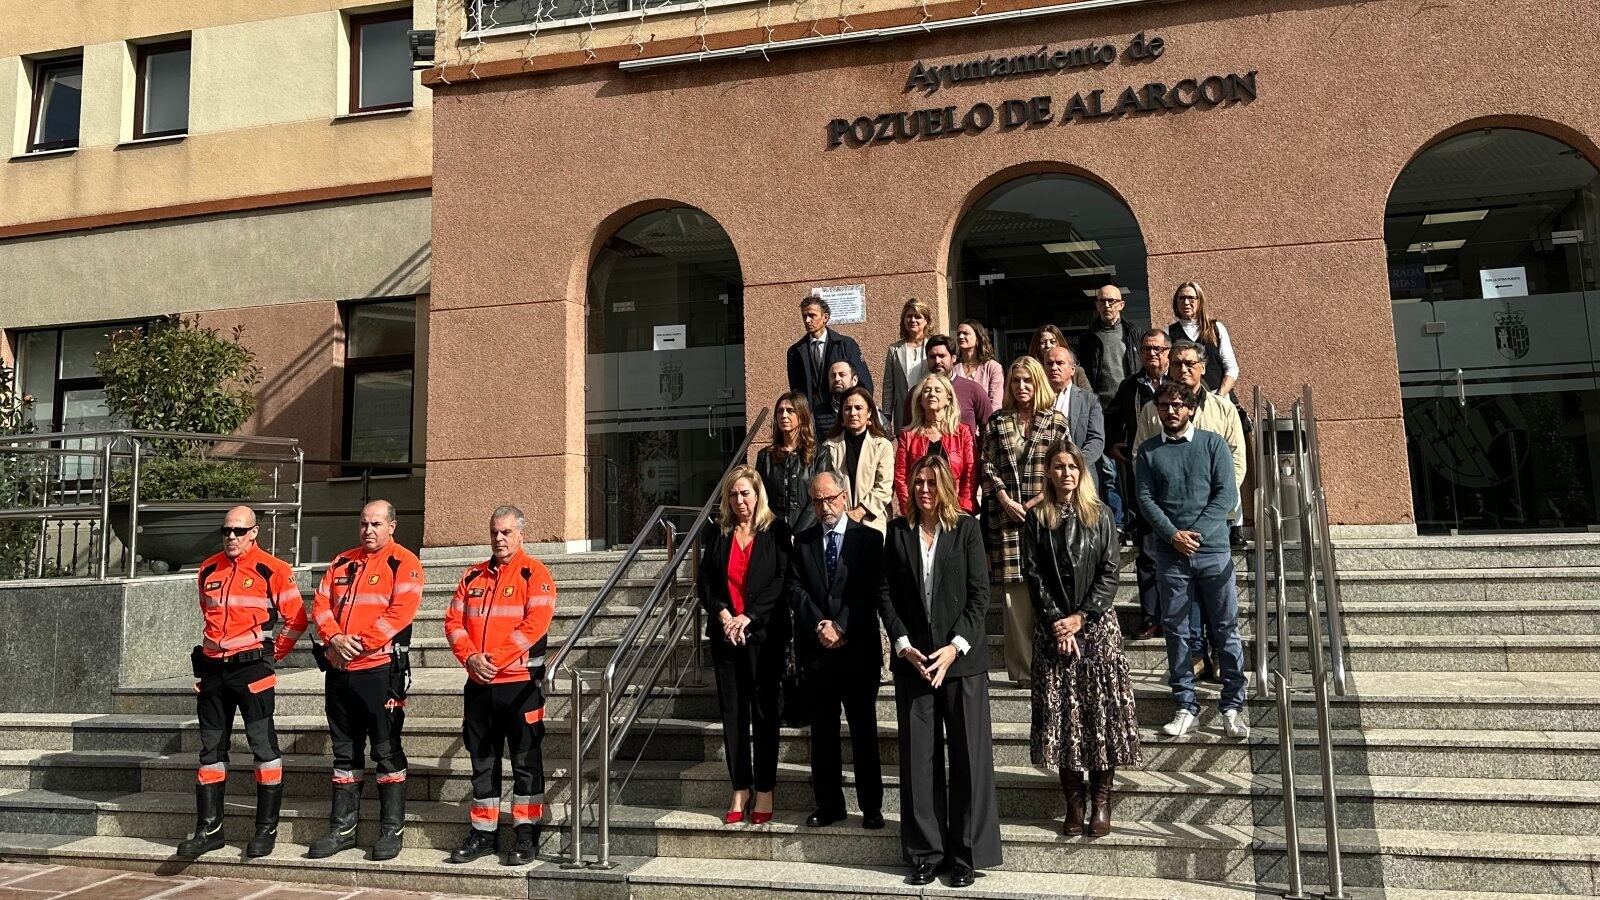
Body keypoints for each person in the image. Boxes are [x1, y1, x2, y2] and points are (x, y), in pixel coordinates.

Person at [878, 455, 1001, 887]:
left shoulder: (966, 528)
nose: (923, 489)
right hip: (914, 663)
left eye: (931, 482)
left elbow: (979, 594)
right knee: (919, 759)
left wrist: (954, 647)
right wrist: (903, 644)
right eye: (917, 482)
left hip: (961, 663)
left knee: (968, 758)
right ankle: (926, 853)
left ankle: (966, 854)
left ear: (945, 485)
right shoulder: (897, 532)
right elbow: (885, 593)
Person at [1021, 441, 1141, 838]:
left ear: (1081, 472)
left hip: (1096, 630)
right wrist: (1058, 621)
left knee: (1100, 717)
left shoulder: (1101, 514)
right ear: (1049, 473)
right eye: (1058, 467)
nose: (1066, 473)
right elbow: (1033, 575)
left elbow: (1110, 570)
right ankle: (1073, 800)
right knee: (1064, 719)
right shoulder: (1037, 518)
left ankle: (1101, 801)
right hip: (1054, 631)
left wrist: (1080, 617)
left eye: (1072, 466)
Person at [177, 506, 308, 859]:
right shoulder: (208, 568)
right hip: (214, 671)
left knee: (263, 748)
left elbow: (297, 619)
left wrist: (271, 656)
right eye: (226, 531)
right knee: (210, 751)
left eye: (239, 530)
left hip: (252, 669)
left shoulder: (274, 569)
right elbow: (208, 615)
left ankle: (265, 830)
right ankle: (210, 829)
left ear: (254, 532)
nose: (231, 537)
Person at [306, 500, 423, 862]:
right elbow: (321, 605)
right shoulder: (341, 562)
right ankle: (342, 830)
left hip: (379, 670)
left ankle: (392, 831)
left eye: (376, 524)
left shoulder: (404, 563)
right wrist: (334, 639)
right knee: (345, 752)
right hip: (340, 671)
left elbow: (399, 613)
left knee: (386, 750)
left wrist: (358, 644)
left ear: (392, 526)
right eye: (363, 524)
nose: (368, 530)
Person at [443, 506, 558, 865]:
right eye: (495, 532)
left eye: (506, 532)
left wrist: (493, 658)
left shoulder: (535, 574)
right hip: (478, 684)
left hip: (520, 685)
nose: (499, 539)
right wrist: (471, 658)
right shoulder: (472, 575)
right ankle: (483, 835)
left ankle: (526, 836)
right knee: (482, 762)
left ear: (521, 535)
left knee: (525, 763)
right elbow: (453, 622)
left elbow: (534, 626)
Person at [1135, 384, 1249, 740]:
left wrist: (1193, 534)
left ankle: (1232, 706)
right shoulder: (1148, 452)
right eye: (1165, 405)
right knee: (1178, 632)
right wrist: (1172, 536)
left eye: (1179, 404)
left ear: (1192, 408)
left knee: (1226, 629)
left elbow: (1226, 494)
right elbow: (1144, 498)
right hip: (1171, 556)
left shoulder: (1213, 444)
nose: (1171, 411)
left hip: (1213, 552)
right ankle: (1186, 706)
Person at [788, 470, 885, 830]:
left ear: (844, 497)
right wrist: (820, 625)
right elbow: (796, 591)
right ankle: (829, 805)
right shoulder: (804, 541)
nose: (824, 506)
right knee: (823, 734)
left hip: (857, 650)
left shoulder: (869, 540)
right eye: (817, 500)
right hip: (817, 654)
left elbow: (870, 590)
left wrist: (841, 625)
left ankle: (871, 806)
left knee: (863, 731)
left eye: (830, 498)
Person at [697, 466, 791, 825]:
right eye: (733, 495)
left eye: (745, 494)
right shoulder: (718, 531)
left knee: (765, 712)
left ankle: (765, 787)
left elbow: (781, 581)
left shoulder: (776, 530)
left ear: (758, 495)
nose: (740, 501)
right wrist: (723, 614)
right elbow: (705, 579)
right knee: (732, 713)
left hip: (763, 635)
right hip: (725, 635)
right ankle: (741, 787)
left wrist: (748, 616)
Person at [980, 356, 1071, 688]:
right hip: (1005, 519)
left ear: (1038, 383)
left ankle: (1052, 666)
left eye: (1027, 381)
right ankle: (1023, 673)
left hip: (1045, 516)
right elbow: (985, 464)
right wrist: (1004, 498)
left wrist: (1034, 502)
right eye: (1016, 381)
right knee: (1014, 602)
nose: (1021, 387)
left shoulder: (1056, 421)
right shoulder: (997, 421)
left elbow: (1065, 466)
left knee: (1047, 593)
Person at [1106, 329, 1171, 639]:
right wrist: (1111, 444)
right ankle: (1151, 618)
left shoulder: (1180, 385)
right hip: (1142, 480)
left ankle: (1176, 616)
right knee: (1147, 553)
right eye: (1146, 348)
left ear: (1168, 352)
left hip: (1178, 483)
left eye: (1158, 348)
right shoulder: (1131, 386)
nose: (1152, 354)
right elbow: (1109, 417)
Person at [1074, 285, 1143, 532]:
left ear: (1121, 304)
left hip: (1130, 410)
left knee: (1135, 466)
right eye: (1102, 301)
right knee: (1108, 471)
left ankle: (1137, 520)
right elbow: (1083, 376)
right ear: (1096, 306)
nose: (1107, 306)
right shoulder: (1088, 338)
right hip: (1101, 412)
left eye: (1112, 301)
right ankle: (1118, 522)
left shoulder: (1133, 333)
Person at [787, 295, 873, 440]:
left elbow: (865, 384)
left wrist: (856, 412)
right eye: (804, 316)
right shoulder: (795, 352)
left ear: (825, 317)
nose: (807, 320)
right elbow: (796, 391)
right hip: (813, 421)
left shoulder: (846, 345)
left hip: (841, 415)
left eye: (812, 315)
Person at [894, 373, 978, 515]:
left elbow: (971, 474)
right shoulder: (908, 436)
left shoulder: (963, 433)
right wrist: (910, 510)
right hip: (919, 512)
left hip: (954, 510)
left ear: (948, 399)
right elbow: (901, 477)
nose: (932, 394)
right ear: (920, 400)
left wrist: (962, 510)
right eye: (926, 391)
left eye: (938, 390)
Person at [821, 386, 895, 535]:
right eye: (847, 408)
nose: (853, 413)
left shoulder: (882, 446)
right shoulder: (828, 447)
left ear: (869, 413)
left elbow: (884, 487)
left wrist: (859, 512)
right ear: (841, 414)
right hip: (838, 521)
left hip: (872, 521)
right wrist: (843, 515)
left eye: (858, 407)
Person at [756, 393, 831, 535]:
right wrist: (776, 530)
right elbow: (761, 498)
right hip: (773, 532)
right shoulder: (765, 456)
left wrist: (796, 534)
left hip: (809, 532)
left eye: (790, 411)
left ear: (802, 416)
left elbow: (819, 498)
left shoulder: (820, 454)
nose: (784, 415)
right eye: (780, 411)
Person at [1042, 345, 1105, 467]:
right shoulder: (1036, 400)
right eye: (1049, 364)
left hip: (1081, 473)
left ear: (1072, 369)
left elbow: (1096, 440)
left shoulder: (1089, 400)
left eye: (1060, 363)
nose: (1054, 368)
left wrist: (1074, 465)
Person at [882, 297, 934, 434]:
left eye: (917, 316)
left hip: (928, 409)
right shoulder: (894, 349)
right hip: (903, 412)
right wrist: (886, 415)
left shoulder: (933, 346)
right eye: (909, 316)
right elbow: (888, 386)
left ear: (926, 321)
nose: (912, 320)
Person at [924, 334, 993, 430]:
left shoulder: (973, 389)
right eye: (932, 357)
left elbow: (989, 427)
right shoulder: (918, 393)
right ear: (927, 360)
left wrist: (975, 444)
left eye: (942, 356)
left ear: (953, 358)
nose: (937, 361)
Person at [954, 319, 1004, 410]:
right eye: (958, 334)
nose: (961, 336)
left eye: (966, 333)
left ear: (978, 337)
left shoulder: (993, 367)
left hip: (985, 422)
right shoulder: (953, 367)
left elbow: (996, 403)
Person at [1030, 324, 1091, 391]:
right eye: (1042, 342)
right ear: (1037, 347)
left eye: (1052, 342)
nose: (1048, 345)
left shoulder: (1076, 372)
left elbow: (1089, 399)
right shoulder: (1030, 373)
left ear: (1060, 343)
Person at [814, 359, 859, 439]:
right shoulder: (816, 414)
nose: (837, 379)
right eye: (833, 376)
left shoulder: (867, 411)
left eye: (842, 375)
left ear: (854, 380)